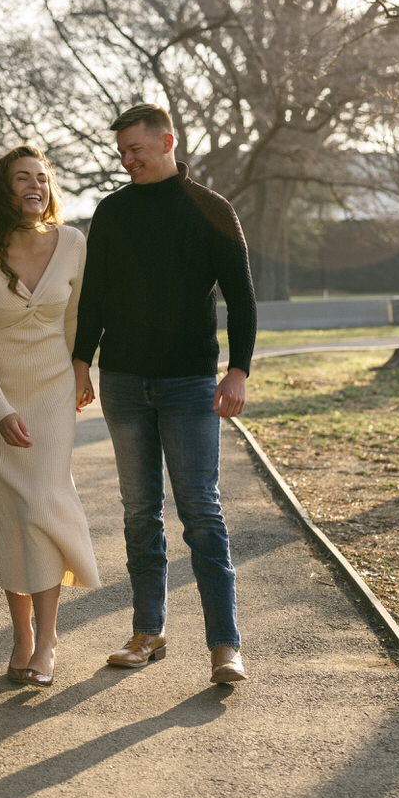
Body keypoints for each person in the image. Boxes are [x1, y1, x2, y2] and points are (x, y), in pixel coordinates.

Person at [72, 104, 257, 685]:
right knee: (138, 512)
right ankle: (147, 632)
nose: (128, 160)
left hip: (189, 383)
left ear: (166, 141)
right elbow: (94, 297)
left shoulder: (212, 210)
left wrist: (239, 370)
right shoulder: (113, 212)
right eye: (122, 152)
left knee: (202, 511)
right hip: (123, 382)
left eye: (136, 149)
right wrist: (82, 363)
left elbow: (242, 299)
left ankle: (224, 645)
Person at [0, 145, 100, 688]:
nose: (35, 185)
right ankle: (21, 637)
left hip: (55, 390)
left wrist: (83, 373)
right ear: (4, 188)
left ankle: (49, 639)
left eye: (42, 177)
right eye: (22, 178)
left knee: (43, 499)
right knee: (11, 513)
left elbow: (77, 322)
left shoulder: (73, 244)